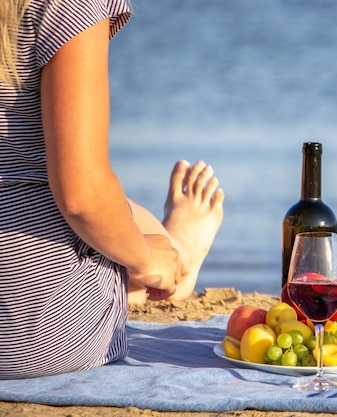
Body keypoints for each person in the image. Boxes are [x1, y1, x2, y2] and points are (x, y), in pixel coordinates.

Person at [0, 0, 225, 379]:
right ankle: (174, 259)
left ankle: (145, 271)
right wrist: (147, 262)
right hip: (27, 332)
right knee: (110, 208)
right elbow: (83, 195)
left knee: (112, 210)